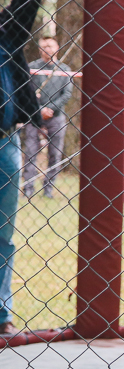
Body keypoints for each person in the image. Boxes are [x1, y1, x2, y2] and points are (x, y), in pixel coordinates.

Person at [0, 0, 43, 335]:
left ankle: (1, 315)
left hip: (4, 142)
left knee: (2, 234)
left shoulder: (6, 34)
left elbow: (27, 7)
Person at [22, 35, 72, 198]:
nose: (47, 49)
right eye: (44, 46)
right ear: (39, 49)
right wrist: (40, 110)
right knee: (30, 152)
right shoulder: (32, 68)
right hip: (34, 117)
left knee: (55, 154)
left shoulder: (64, 69)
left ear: (57, 48)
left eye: (50, 46)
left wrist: (49, 108)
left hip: (56, 117)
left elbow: (67, 94)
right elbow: (26, 92)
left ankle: (48, 189)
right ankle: (28, 189)